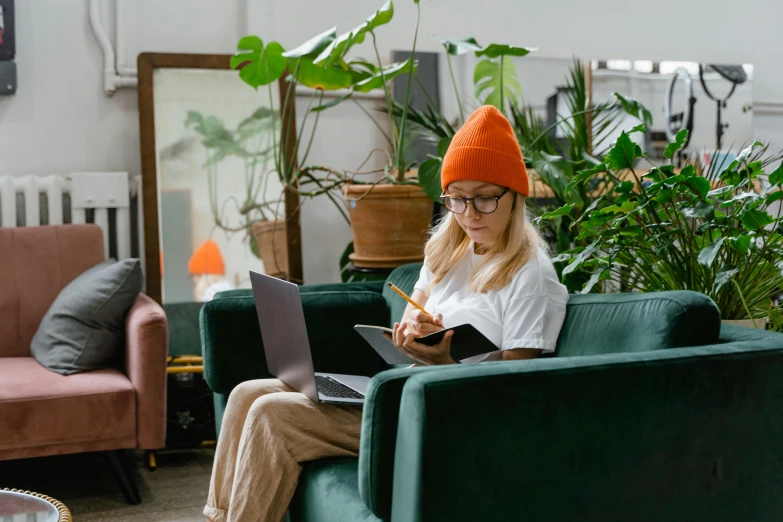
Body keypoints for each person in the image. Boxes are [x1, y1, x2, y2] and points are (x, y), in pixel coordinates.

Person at [203, 105, 569, 522]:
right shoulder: (447, 253)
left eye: (485, 197)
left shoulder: (530, 273)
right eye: (458, 198)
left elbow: (518, 383)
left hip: (451, 414)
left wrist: (446, 361)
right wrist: (411, 336)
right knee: (246, 392)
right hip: (405, 391)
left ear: (514, 195)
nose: (469, 213)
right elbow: (417, 325)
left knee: (273, 416)